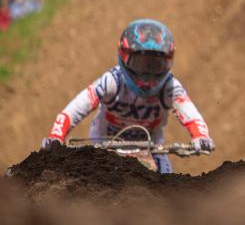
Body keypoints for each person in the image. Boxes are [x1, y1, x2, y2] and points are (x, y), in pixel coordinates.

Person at [40, 19, 214, 173]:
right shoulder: (112, 81)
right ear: (124, 56)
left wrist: (201, 137)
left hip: (151, 149)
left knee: (171, 191)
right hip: (103, 148)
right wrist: (56, 137)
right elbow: (75, 109)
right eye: (140, 63)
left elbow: (191, 115)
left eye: (156, 65)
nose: (147, 75)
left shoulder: (170, 87)